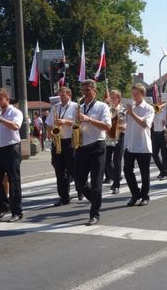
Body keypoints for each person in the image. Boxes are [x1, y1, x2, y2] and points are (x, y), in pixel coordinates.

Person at [73, 79, 111, 226]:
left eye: (88, 90)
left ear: (95, 91)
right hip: (82, 147)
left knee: (96, 184)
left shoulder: (102, 107)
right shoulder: (79, 107)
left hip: (97, 147)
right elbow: (75, 125)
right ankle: (96, 200)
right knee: (79, 183)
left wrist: (88, 119)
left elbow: (107, 126)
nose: (85, 93)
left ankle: (94, 214)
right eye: (83, 90)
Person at [0, 88, 24, 222]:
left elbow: (16, 126)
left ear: (7, 99)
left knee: (14, 181)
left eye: (0, 99)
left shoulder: (15, 112)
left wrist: (0, 119)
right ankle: (4, 206)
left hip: (11, 150)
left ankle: (17, 211)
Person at [45, 87, 77, 206]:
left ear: (69, 94)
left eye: (63, 95)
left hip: (70, 141)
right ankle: (64, 197)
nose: (61, 98)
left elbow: (79, 123)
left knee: (73, 169)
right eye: (59, 95)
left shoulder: (75, 106)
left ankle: (81, 189)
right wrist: (51, 133)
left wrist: (65, 122)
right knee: (59, 170)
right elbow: (48, 123)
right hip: (57, 141)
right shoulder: (55, 107)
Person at [123, 83, 154, 206]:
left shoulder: (149, 108)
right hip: (130, 144)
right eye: (133, 94)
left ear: (142, 94)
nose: (134, 96)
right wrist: (120, 118)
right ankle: (135, 194)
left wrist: (132, 113)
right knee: (127, 171)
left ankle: (145, 196)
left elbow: (145, 124)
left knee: (144, 173)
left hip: (142, 144)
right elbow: (124, 124)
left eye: (137, 94)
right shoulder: (130, 108)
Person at [104, 90, 125, 194]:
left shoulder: (123, 109)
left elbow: (124, 123)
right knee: (106, 162)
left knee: (117, 161)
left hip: (119, 137)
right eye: (111, 97)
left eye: (114, 97)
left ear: (119, 99)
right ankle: (117, 177)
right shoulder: (107, 109)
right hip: (108, 137)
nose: (112, 99)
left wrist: (121, 125)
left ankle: (116, 185)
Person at [151, 94, 167, 180]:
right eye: (158, 99)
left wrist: (165, 124)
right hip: (155, 133)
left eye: (160, 99)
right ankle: (162, 170)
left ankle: (164, 172)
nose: (159, 100)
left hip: (163, 133)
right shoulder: (155, 108)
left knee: (164, 154)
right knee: (154, 154)